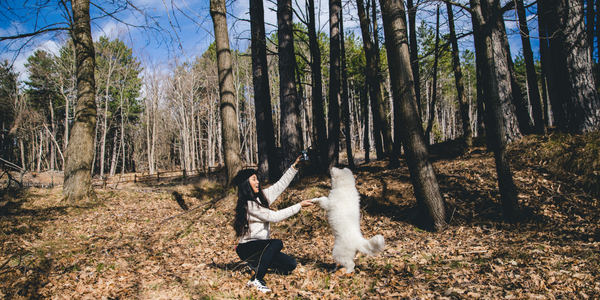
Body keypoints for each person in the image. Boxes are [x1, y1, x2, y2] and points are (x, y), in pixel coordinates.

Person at [233, 156, 314, 293]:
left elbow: (280, 185)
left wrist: (295, 166)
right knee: (276, 243)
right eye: (253, 179)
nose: (257, 181)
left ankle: (256, 264)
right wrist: (299, 205)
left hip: (260, 248)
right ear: (246, 183)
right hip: (248, 247)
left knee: (291, 264)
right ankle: (257, 279)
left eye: (257, 178)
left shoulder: (261, 197)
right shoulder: (249, 205)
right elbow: (274, 217)